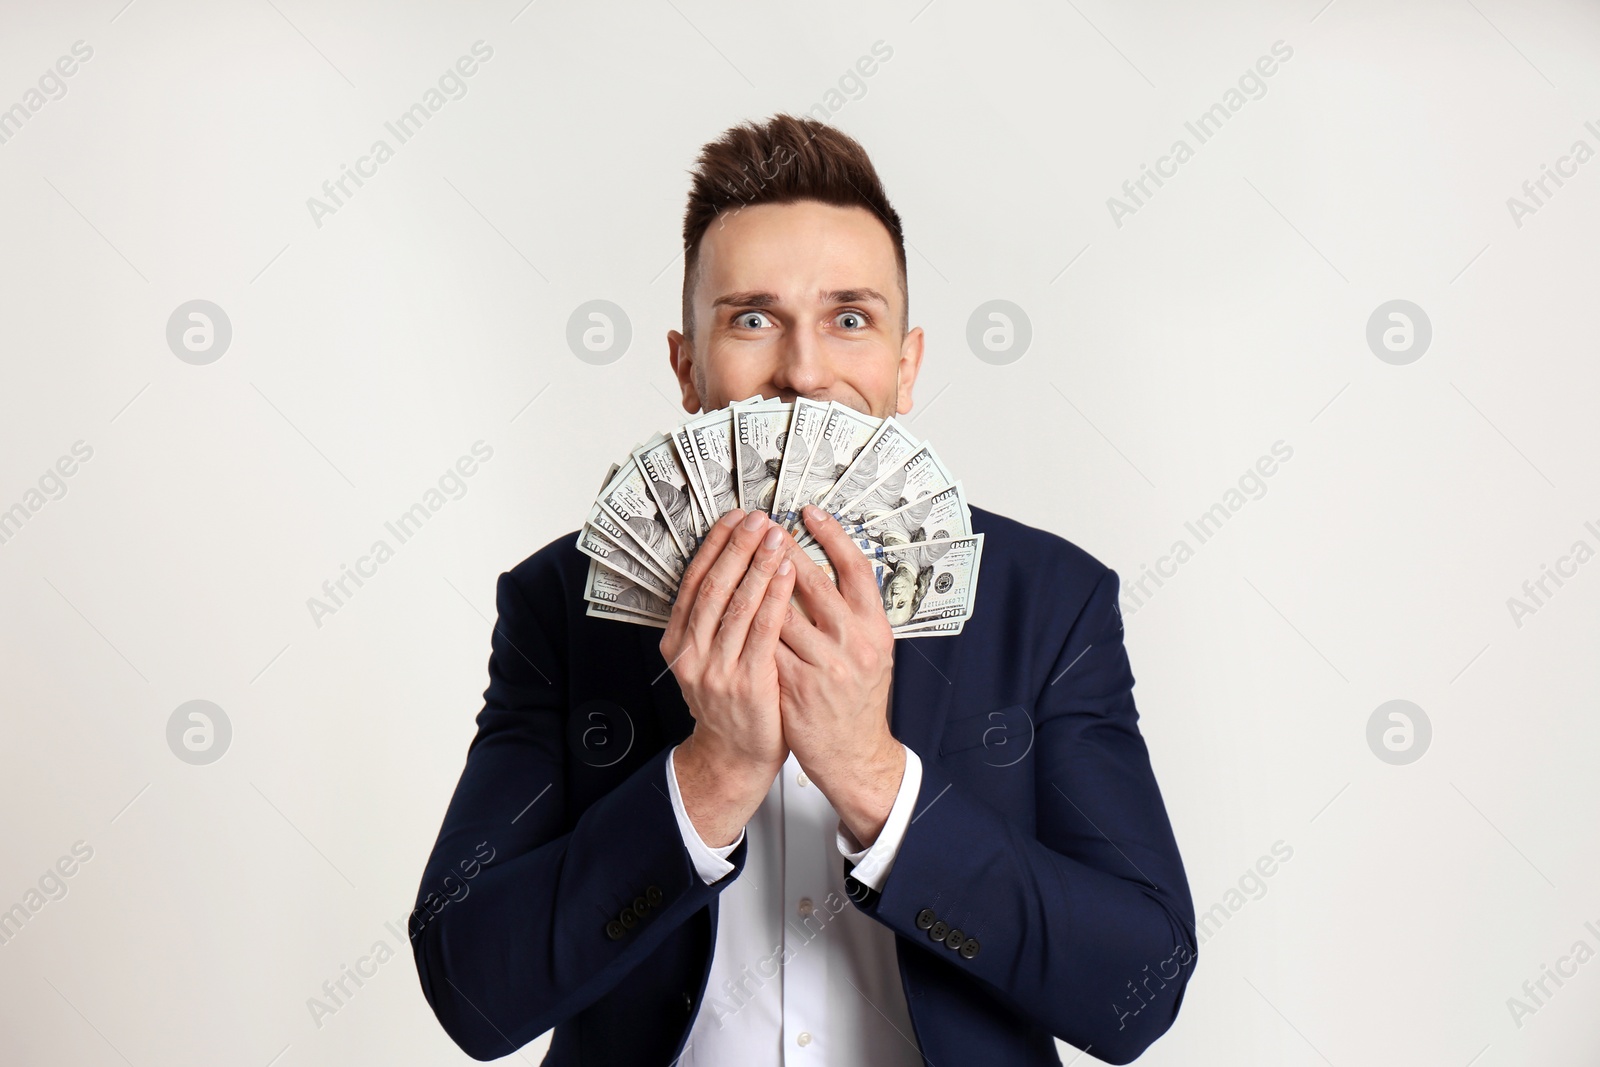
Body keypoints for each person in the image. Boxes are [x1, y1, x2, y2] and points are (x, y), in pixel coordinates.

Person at [410, 114, 1196, 1065]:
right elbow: (471, 992)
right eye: (752, 318)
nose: (805, 370)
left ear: (905, 366)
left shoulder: (1048, 603)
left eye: (850, 318)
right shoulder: (564, 603)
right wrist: (711, 777)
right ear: (688, 367)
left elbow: (1137, 992)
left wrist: (873, 778)